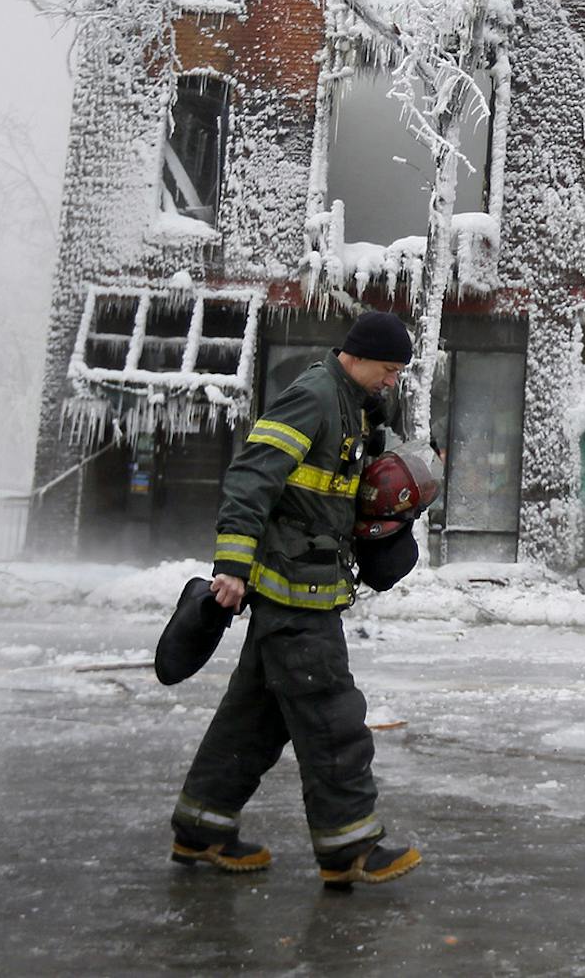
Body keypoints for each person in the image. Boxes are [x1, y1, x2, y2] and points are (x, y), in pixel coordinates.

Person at [169, 310, 424, 888]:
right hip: (294, 592)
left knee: (252, 722)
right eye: (387, 370)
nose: (391, 381)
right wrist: (232, 566)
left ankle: (201, 828)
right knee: (332, 717)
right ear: (356, 357)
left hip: (306, 586)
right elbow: (250, 476)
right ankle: (350, 847)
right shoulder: (313, 396)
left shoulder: (353, 408)